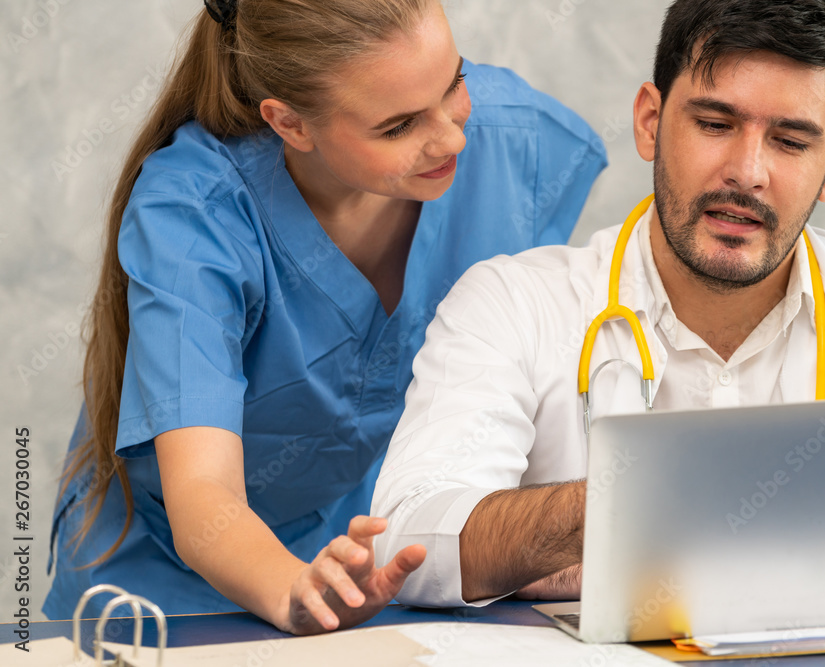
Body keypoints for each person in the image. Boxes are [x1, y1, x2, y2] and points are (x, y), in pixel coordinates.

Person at [371, 0, 825, 608]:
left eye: (790, 141)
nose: (747, 171)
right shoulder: (512, 301)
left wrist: (622, 551)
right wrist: (614, 507)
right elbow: (409, 542)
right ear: (650, 122)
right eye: (715, 124)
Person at [43, 0, 607, 633]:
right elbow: (204, 497)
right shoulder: (195, 214)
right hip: (164, 571)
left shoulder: (516, 142)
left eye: (455, 83)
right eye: (398, 127)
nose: (452, 137)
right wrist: (295, 587)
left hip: (359, 551)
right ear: (290, 123)